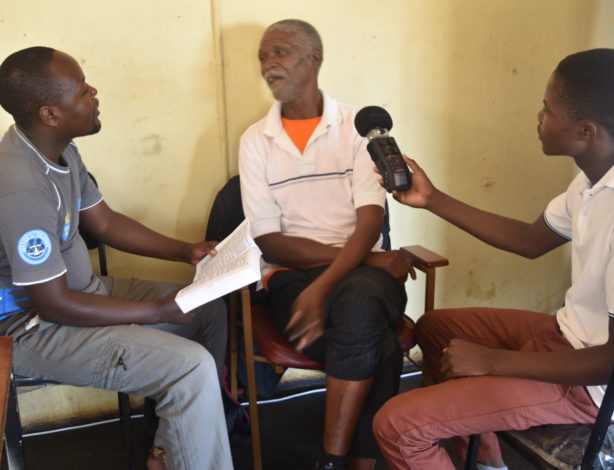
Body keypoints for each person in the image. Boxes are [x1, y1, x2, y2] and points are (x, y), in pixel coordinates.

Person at [372, 48, 614, 470]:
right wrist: (431, 198)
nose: (539, 117)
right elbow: (528, 240)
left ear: (586, 131)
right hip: (567, 334)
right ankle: (490, 463)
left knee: (398, 427)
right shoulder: (593, 180)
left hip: (593, 386)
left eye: (548, 109)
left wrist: (491, 361)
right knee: (436, 328)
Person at [0, 47, 233, 470]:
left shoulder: (62, 150)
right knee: (190, 367)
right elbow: (54, 305)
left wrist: (185, 250)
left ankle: (169, 451)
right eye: (81, 89)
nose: (93, 92)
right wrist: (155, 312)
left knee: (208, 310)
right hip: (33, 328)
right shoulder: (20, 186)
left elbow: (104, 222)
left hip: (84, 294)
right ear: (50, 114)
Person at [238, 19, 416, 470]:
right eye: (263, 56)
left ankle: (330, 460)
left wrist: (326, 285)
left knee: (359, 302)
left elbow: (370, 222)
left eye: (280, 52)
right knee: (379, 343)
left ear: (314, 58)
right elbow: (270, 242)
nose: (268, 64)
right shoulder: (255, 140)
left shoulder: (359, 127)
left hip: (361, 277)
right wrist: (362, 262)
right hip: (295, 280)